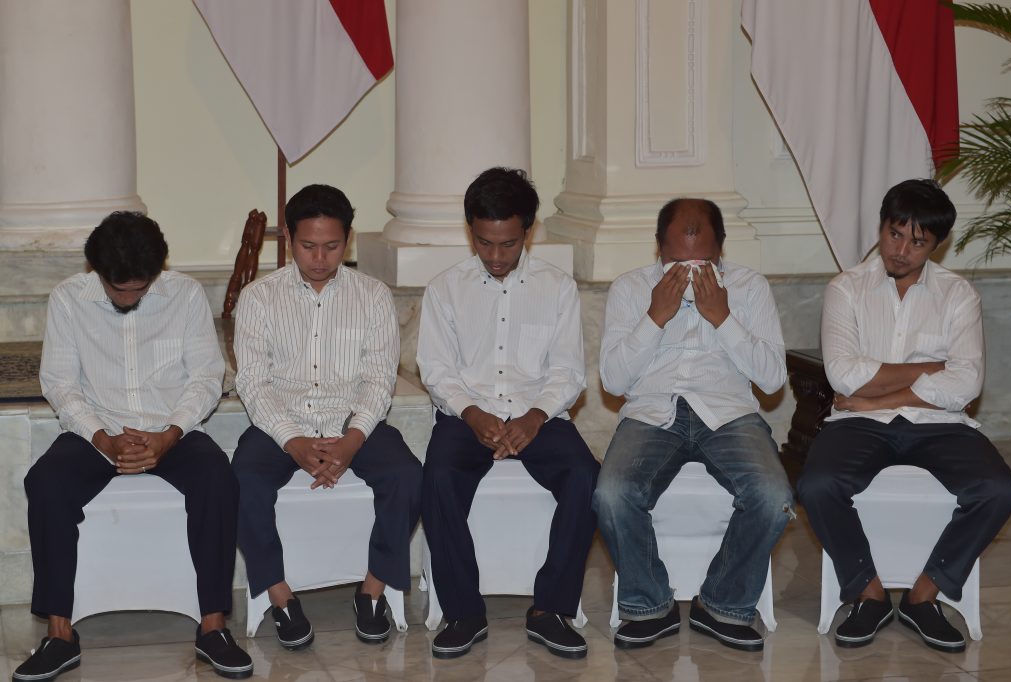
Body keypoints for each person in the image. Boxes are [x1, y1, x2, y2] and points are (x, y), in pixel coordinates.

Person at [17, 212, 251, 681]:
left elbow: (206, 376)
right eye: (116, 289)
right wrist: (101, 437)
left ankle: (213, 627)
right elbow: (61, 385)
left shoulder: (183, 295)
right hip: (97, 430)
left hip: (171, 428)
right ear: (96, 272)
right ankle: (60, 634)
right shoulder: (68, 299)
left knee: (218, 478)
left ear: (158, 271)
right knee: (45, 483)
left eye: (138, 290)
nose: (127, 299)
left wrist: (171, 433)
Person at [798, 179, 1011, 652]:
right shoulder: (847, 289)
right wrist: (930, 368)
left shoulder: (958, 295)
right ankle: (869, 594)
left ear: (938, 245)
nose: (902, 250)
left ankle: (924, 596)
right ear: (882, 227)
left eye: (918, 242)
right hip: (857, 423)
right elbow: (843, 374)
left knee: (998, 490)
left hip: (938, 422)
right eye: (895, 234)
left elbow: (965, 385)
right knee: (816, 484)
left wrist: (877, 397)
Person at [593, 198, 793, 652]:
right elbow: (614, 381)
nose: (688, 273)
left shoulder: (749, 287)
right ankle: (649, 606)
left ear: (721, 250)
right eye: (676, 261)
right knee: (611, 493)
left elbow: (772, 378)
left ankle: (723, 604)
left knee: (773, 496)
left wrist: (722, 317)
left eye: (701, 261)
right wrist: (654, 316)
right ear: (658, 249)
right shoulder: (629, 288)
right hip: (651, 410)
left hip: (729, 412)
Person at [417, 167, 599, 659]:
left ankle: (550, 610)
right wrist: (472, 413)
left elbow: (568, 371)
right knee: (436, 477)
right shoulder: (445, 288)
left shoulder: (557, 287)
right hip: (465, 416)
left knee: (586, 476)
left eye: (508, 244)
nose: (496, 257)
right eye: (484, 243)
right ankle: (463, 612)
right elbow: (436, 369)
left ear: (529, 231)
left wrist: (536, 416)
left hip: (539, 416)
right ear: (470, 230)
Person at [232, 184, 421, 649]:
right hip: (282, 424)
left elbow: (380, 380)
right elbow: (253, 383)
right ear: (290, 239)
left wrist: (353, 439)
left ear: (348, 240)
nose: (319, 258)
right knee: (239, 481)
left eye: (332, 246)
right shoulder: (259, 298)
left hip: (354, 421)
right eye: (308, 246)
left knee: (409, 476)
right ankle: (280, 597)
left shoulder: (373, 296)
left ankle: (373, 590)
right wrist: (292, 440)